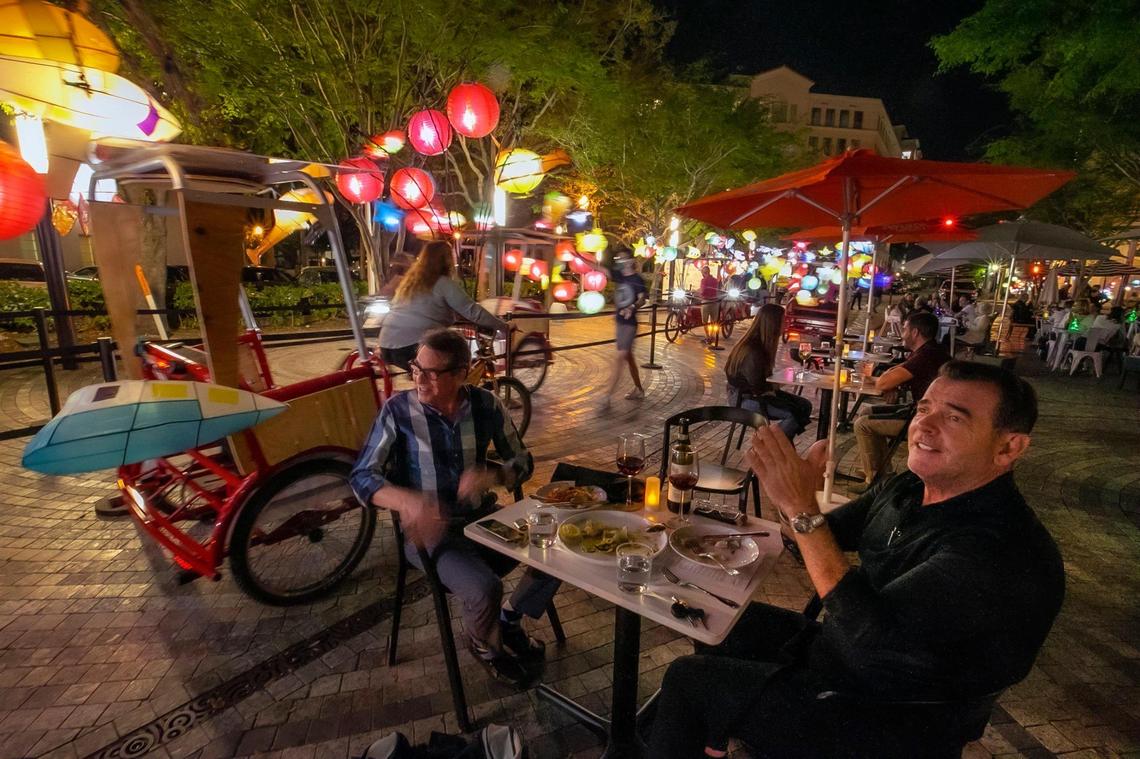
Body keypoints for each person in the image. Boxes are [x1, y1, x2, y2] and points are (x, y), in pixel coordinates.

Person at [649, 362, 1064, 759]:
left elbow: (872, 635)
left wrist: (801, 509)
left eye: (954, 418)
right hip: (844, 658)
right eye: (923, 408)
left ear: (1009, 446)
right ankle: (716, 735)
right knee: (720, 616)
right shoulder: (909, 488)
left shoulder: (997, 547)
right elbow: (817, 536)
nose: (924, 427)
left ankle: (717, 719)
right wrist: (794, 502)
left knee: (689, 680)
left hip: (894, 716)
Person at [350, 328, 560, 687]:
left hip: (484, 521)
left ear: (462, 373)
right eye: (416, 368)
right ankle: (485, 646)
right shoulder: (397, 411)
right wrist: (407, 500)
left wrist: (492, 476)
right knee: (484, 588)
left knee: (558, 554)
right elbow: (361, 477)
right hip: (431, 534)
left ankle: (508, 620)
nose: (419, 379)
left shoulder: (485, 405)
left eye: (432, 372)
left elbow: (523, 461)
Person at [850, 311, 950, 492]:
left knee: (862, 424)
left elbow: (883, 382)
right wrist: (893, 384)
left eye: (904, 329)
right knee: (868, 412)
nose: (901, 334)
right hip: (924, 412)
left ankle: (873, 483)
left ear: (915, 332)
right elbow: (895, 374)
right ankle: (880, 473)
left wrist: (890, 384)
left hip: (926, 421)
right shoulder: (930, 351)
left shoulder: (926, 356)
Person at [378, 240, 507, 370]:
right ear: (447, 261)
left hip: (386, 344)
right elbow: (473, 311)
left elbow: (426, 308)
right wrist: (503, 326)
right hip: (412, 346)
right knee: (457, 356)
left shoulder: (410, 283)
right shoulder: (443, 283)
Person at [724, 304, 812, 438]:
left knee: (805, 405)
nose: (786, 324)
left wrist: (777, 383)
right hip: (744, 398)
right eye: (784, 321)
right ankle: (771, 446)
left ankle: (781, 446)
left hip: (755, 393)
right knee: (793, 414)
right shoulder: (754, 350)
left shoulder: (761, 344)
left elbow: (763, 381)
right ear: (774, 324)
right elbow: (758, 387)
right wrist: (782, 381)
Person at [602, 251, 648, 409]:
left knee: (620, 357)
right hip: (619, 323)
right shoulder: (619, 275)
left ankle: (607, 396)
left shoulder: (637, 279)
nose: (619, 260)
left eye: (622, 258)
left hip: (630, 324)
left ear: (630, 260)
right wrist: (578, 256)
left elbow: (642, 298)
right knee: (629, 357)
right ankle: (639, 389)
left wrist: (632, 306)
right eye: (618, 258)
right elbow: (600, 268)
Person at [699, 265, 721, 330]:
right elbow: (717, 290)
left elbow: (702, 291)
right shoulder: (715, 280)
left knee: (705, 321)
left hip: (706, 302)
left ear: (703, 273)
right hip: (715, 302)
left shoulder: (703, 280)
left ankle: (707, 336)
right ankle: (712, 335)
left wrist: (698, 293)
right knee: (714, 321)